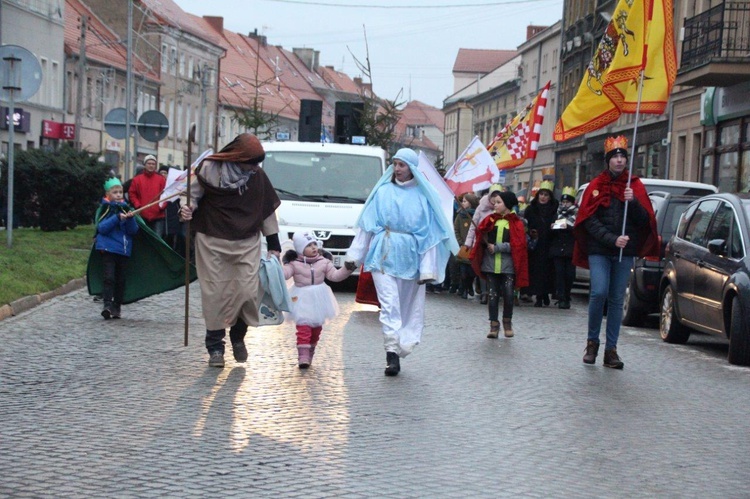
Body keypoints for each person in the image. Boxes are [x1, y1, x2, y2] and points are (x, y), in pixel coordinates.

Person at [346, 148, 458, 376]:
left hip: (410, 259)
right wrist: (354, 257)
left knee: (407, 308)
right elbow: (367, 227)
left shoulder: (423, 197)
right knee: (389, 305)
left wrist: (428, 269)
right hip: (383, 255)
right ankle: (391, 354)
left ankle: (402, 344)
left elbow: (429, 236)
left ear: (412, 168)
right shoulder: (382, 192)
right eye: (395, 164)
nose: (397, 169)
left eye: (402, 165)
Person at [179, 133, 282, 368]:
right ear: (237, 158)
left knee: (247, 292)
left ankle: (238, 336)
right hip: (212, 238)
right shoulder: (209, 169)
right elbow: (190, 194)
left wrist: (274, 244)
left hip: (246, 240)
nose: (255, 167)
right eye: (251, 162)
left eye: (257, 163)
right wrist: (186, 209)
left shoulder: (257, 176)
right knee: (215, 294)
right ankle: (215, 347)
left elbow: (266, 210)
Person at [574, 135, 658, 369]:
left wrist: (633, 203)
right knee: (598, 292)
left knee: (616, 299)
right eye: (615, 157)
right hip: (600, 249)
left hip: (625, 252)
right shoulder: (596, 186)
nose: (619, 161)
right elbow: (588, 220)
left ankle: (611, 349)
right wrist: (612, 239)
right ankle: (592, 342)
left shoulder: (635, 186)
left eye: (623, 157)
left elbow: (644, 221)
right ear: (608, 160)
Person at [282, 231, 357, 368]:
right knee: (303, 326)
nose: (313, 247)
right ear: (300, 249)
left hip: (319, 297)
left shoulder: (324, 261)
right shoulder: (294, 263)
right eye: (308, 245)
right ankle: (303, 356)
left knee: (316, 329)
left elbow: (334, 276)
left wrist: (347, 269)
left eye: (314, 244)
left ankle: (310, 351)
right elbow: (285, 274)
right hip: (301, 297)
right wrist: (276, 267)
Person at [470, 190, 528, 338]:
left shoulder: (516, 223)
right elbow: (481, 235)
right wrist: (481, 233)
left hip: (508, 266)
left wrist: (498, 248)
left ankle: (507, 321)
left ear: (507, 205)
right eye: (494, 202)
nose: (495, 205)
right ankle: (493, 325)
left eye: (498, 202)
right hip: (490, 264)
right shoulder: (490, 220)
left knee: (508, 294)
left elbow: (518, 245)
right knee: (492, 295)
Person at [94, 177, 139, 320]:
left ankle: (116, 306)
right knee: (109, 278)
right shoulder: (104, 209)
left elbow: (133, 231)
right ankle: (107, 304)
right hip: (108, 249)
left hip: (123, 249)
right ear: (108, 195)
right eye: (115, 192)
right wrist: (116, 218)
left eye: (120, 192)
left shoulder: (127, 209)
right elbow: (101, 228)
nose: (119, 195)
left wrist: (130, 218)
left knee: (121, 280)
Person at [463, 185, 501, 304]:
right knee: (482, 267)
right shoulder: (481, 207)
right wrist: (468, 243)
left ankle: (493, 292)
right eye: (493, 196)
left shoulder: (501, 208)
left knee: (493, 269)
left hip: (495, 242)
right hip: (481, 242)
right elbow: (473, 227)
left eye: (497, 196)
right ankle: (485, 293)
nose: (495, 199)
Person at [524, 180, 559, 307]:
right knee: (536, 271)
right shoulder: (531, 209)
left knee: (548, 271)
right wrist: (530, 232)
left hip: (550, 243)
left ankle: (545, 294)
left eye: (546, 195)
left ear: (550, 197)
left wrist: (555, 227)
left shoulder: (555, 209)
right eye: (541, 194)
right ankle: (538, 295)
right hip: (536, 245)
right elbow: (525, 225)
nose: (543, 197)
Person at [549, 186, 578, 309]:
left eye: (568, 202)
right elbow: (551, 231)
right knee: (559, 274)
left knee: (570, 275)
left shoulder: (577, 214)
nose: (565, 204)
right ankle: (561, 297)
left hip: (571, 249)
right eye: (564, 202)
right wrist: (553, 227)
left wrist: (569, 227)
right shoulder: (557, 214)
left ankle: (567, 295)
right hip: (558, 249)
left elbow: (579, 230)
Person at [129, 155, 166, 238]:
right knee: (143, 239)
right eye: (149, 163)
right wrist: (138, 205)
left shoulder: (161, 179)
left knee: (157, 240)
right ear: (145, 165)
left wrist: (161, 206)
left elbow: (166, 194)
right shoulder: (137, 179)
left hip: (158, 216)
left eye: (153, 164)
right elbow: (132, 194)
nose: (151, 165)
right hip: (142, 215)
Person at [454, 192, 479, 299]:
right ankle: (463, 289)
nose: (462, 203)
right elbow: (456, 230)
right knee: (463, 272)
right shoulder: (460, 215)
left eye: (465, 201)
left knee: (471, 272)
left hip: (473, 248)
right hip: (464, 247)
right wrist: (460, 242)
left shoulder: (477, 215)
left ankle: (469, 286)